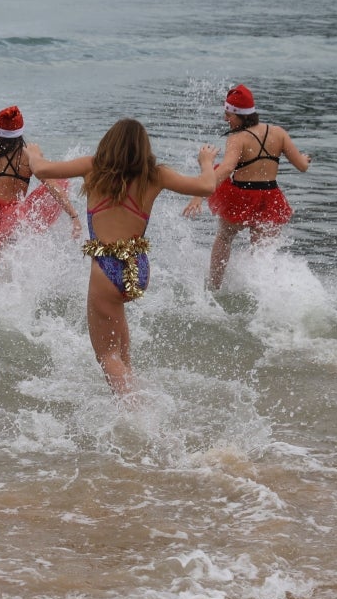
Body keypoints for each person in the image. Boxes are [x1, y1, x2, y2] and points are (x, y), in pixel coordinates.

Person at [26, 119, 218, 395]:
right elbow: (206, 186)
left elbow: (42, 169)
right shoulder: (156, 175)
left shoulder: (93, 166)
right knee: (122, 354)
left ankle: (136, 414)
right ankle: (135, 398)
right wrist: (206, 160)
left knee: (107, 356)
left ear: (108, 142)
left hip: (106, 269)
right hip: (138, 268)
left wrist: (34, 152)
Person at [182, 84, 311, 289]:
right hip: (270, 198)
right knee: (262, 253)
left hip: (240, 197)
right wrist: (304, 158)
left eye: (228, 115)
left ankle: (214, 287)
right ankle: (266, 293)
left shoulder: (238, 139)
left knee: (224, 238)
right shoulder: (278, 133)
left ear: (241, 115)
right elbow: (302, 166)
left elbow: (225, 169)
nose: (226, 119)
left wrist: (199, 193)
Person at [0, 106, 81, 268]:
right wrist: (74, 217)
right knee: (4, 267)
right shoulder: (28, 157)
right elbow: (53, 186)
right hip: (13, 219)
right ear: (21, 131)